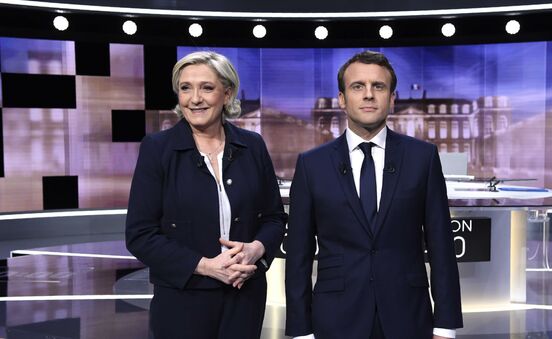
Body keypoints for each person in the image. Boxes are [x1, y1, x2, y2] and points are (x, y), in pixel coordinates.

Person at [285, 51, 463, 339]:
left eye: (378, 87)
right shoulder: (311, 165)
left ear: (392, 98)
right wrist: (300, 329)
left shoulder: (423, 158)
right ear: (342, 99)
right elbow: (298, 255)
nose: (369, 95)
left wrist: (445, 324)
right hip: (335, 318)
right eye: (358, 86)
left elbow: (441, 245)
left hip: (408, 317)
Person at [126, 51, 286, 339]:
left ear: (227, 94)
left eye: (207, 88)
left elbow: (274, 218)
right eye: (186, 88)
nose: (194, 98)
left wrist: (256, 250)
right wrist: (205, 267)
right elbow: (140, 234)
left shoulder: (252, 146)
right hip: (183, 299)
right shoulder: (157, 149)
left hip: (244, 296)